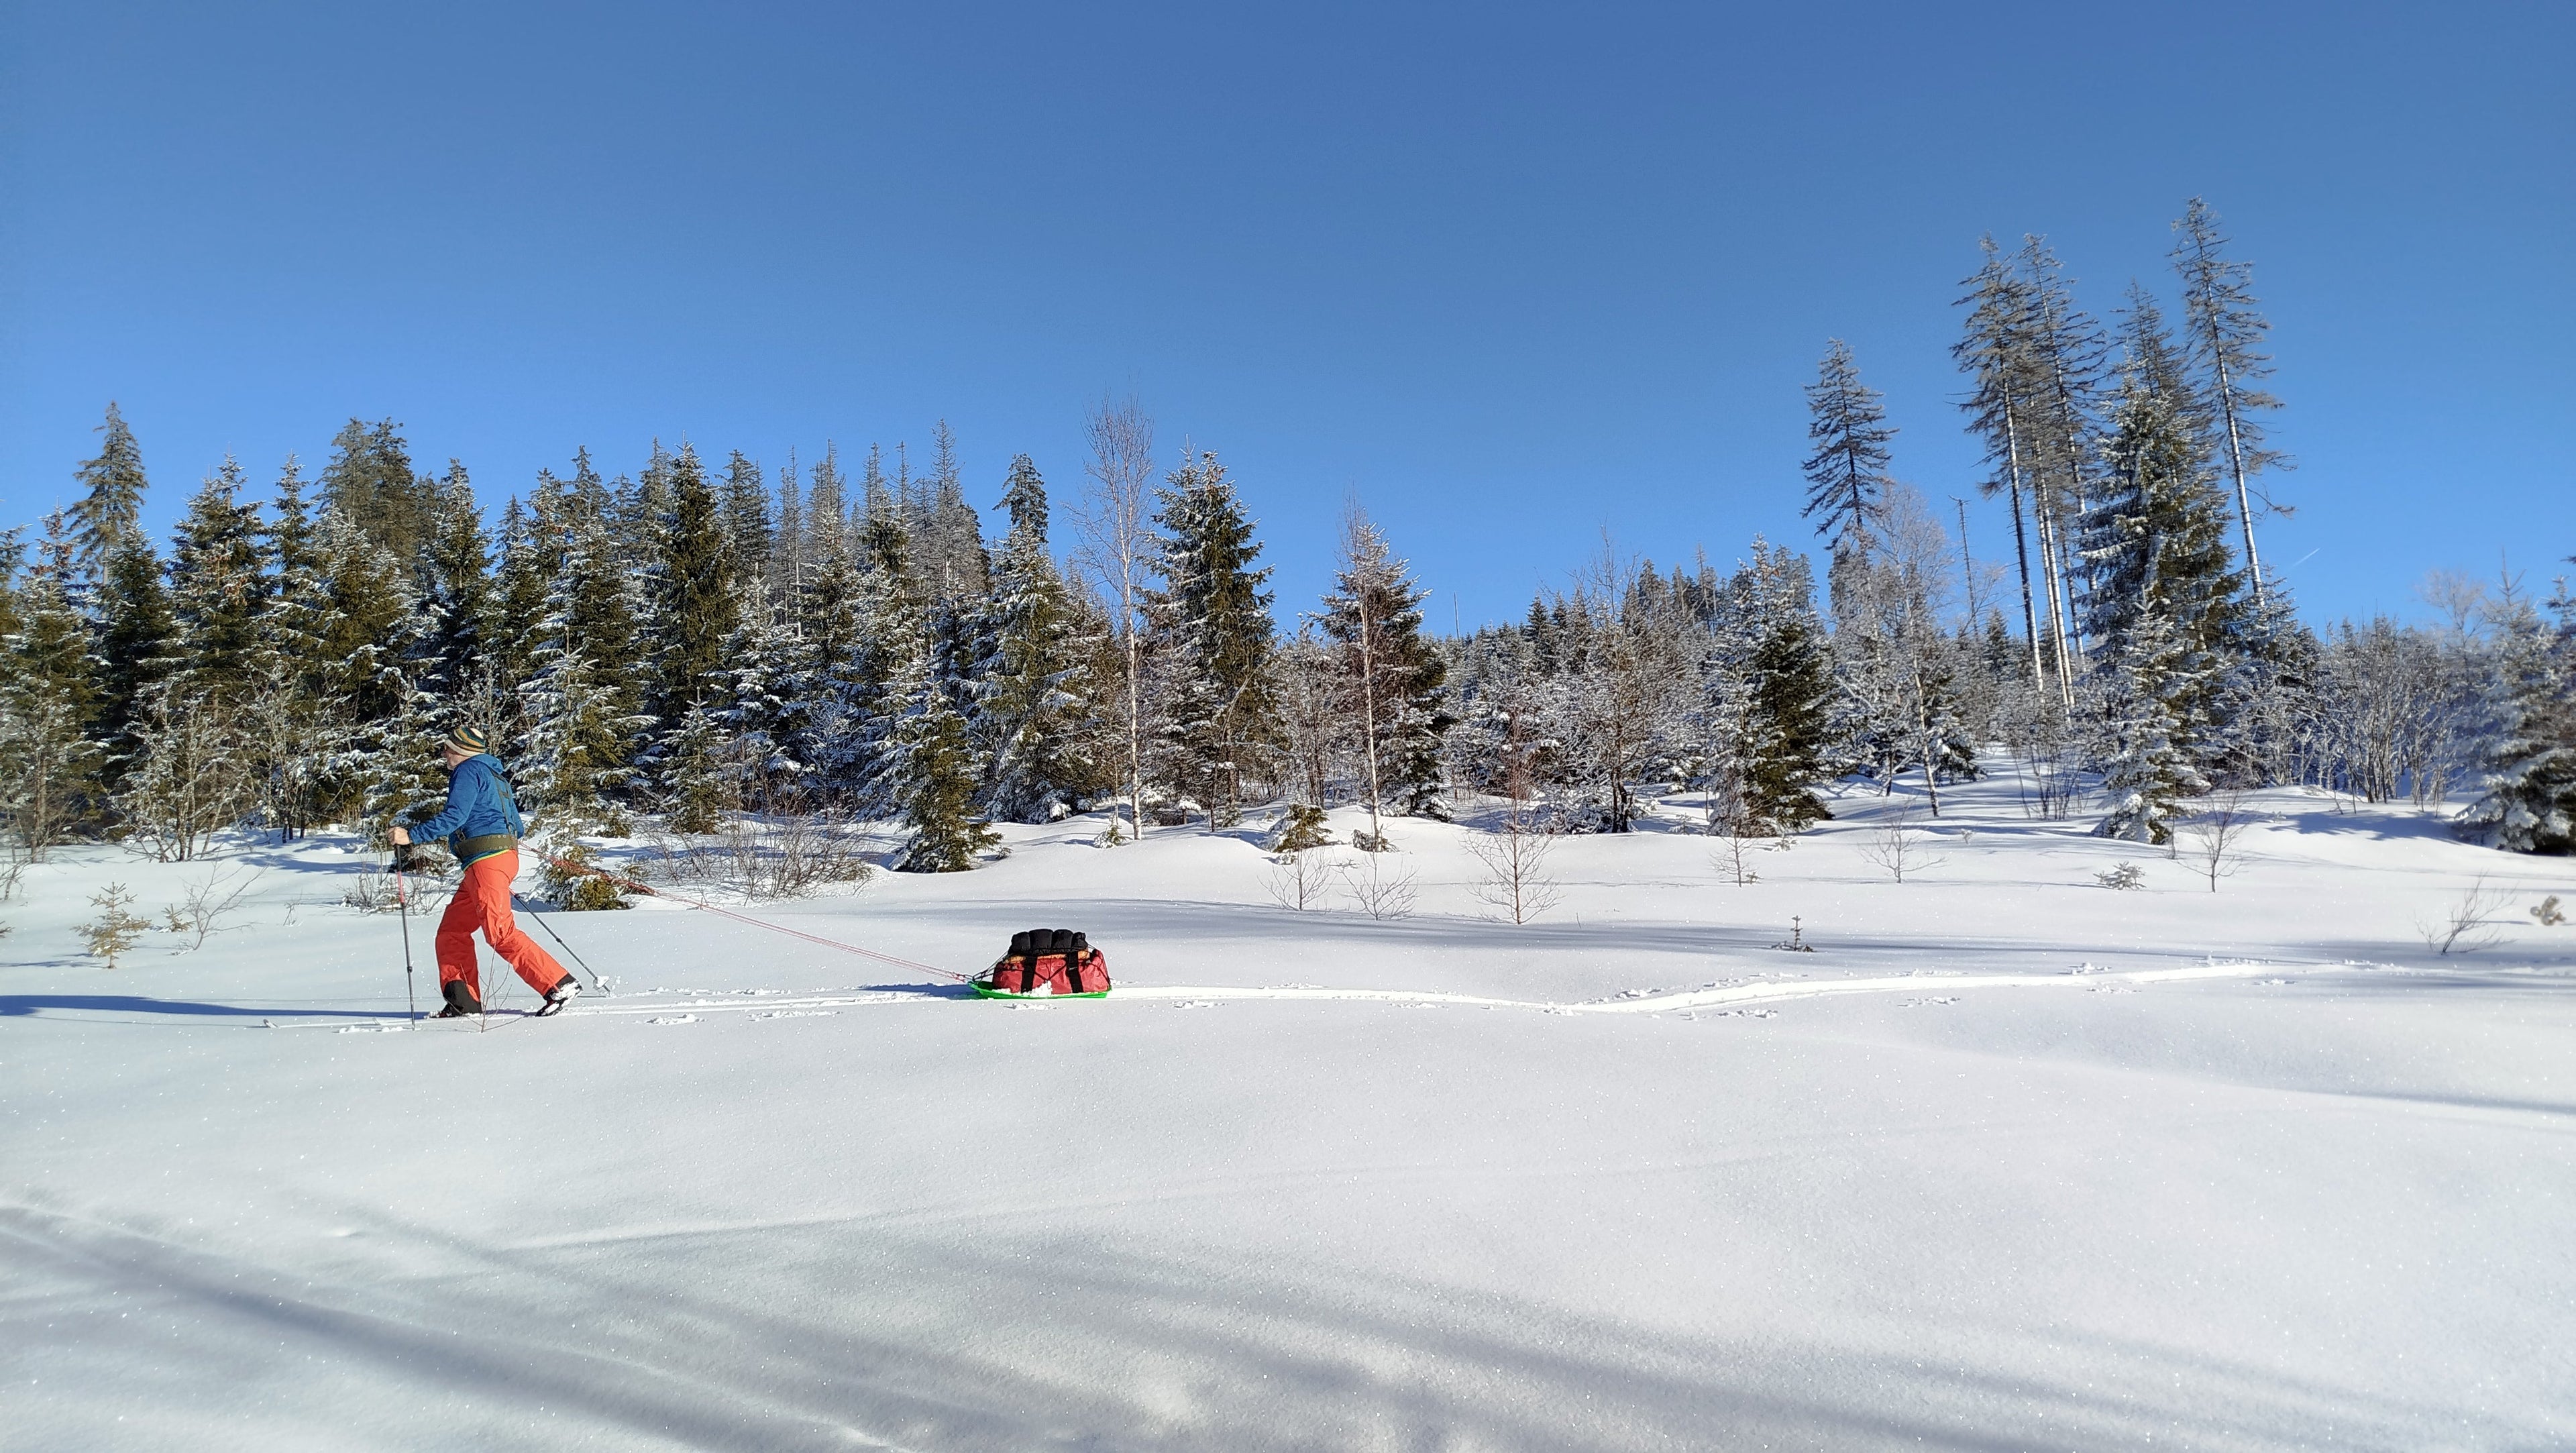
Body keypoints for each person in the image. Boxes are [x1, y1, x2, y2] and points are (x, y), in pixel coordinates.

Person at [391, 726, 578, 1018]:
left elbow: (454, 816)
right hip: (495, 860)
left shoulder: (467, 771)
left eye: (447, 749)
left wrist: (410, 836)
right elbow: (518, 826)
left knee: (500, 933)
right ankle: (464, 1002)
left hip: (485, 861)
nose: (444, 755)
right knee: (452, 931)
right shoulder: (495, 775)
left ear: (462, 751)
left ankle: (557, 984)